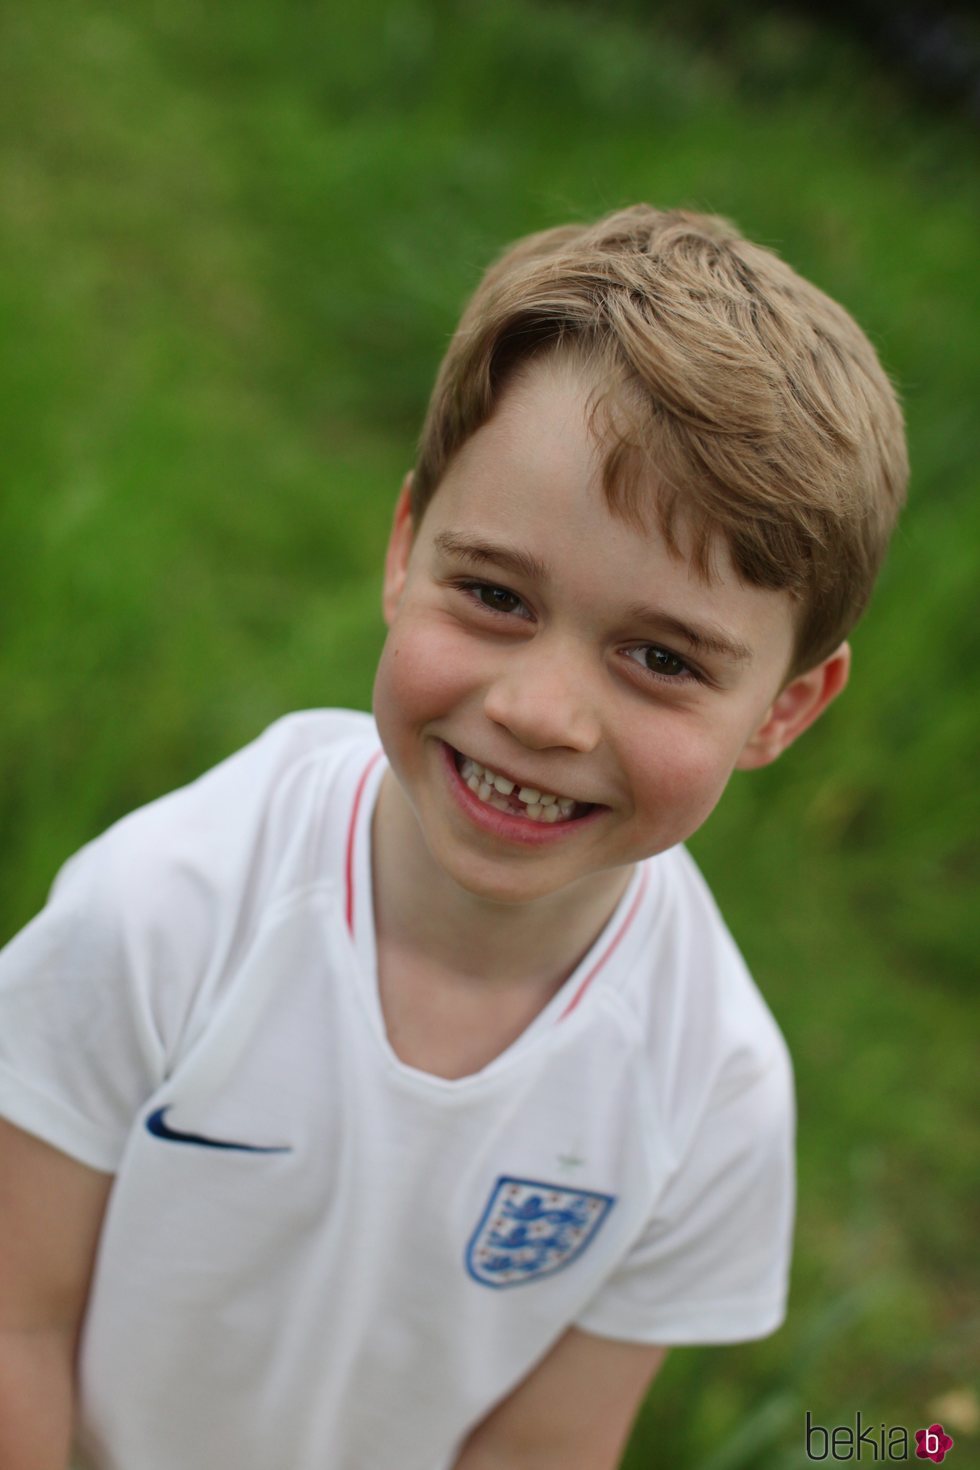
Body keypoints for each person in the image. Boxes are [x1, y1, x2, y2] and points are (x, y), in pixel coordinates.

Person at [0, 204, 907, 1470]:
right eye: (492, 596)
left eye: (659, 659)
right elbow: (16, 1326)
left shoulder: (713, 1094)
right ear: (403, 547)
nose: (538, 711)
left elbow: (544, 1452)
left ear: (785, 708)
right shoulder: (159, 914)